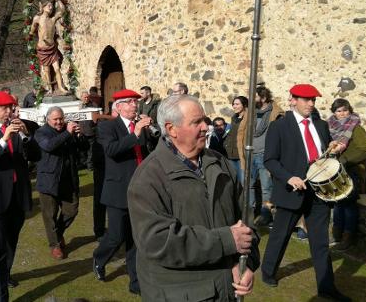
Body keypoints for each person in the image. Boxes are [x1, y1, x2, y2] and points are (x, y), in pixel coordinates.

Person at [128, 94, 259, 301]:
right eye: (196, 122)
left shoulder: (220, 164)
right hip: (180, 294)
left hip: (226, 291)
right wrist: (226, 241)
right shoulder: (149, 177)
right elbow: (157, 241)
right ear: (171, 129)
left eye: (204, 120)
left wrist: (247, 262)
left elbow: (246, 219)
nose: (205, 127)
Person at [261, 84, 350, 302]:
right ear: (293, 100)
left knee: (320, 241)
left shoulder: (320, 125)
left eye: (314, 100)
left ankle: (326, 287)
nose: (311, 104)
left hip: (318, 193)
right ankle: (268, 271)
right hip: (291, 192)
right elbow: (270, 160)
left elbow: (323, 158)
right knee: (280, 236)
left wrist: (332, 150)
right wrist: (289, 177)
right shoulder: (279, 127)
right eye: (306, 99)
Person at [0, 91, 39, 302]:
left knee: (11, 243)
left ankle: (5, 273)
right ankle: (0, 297)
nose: (9, 111)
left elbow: (36, 155)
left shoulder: (20, 128)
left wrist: (26, 136)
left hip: (18, 196)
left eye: (11, 107)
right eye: (4, 108)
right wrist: (3, 140)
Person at [92, 89, 157, 296]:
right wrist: (135, 133)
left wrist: (153, 131)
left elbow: (149, 150)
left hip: (141, 189)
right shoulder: (107, 126)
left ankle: (135, 281)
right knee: (116, 235)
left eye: (136, 102)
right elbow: (111, 150)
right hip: (119, 188)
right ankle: (99, 258)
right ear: (118, 106)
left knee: (136, 238)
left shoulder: (141, 124)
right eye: (129, 102)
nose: (134, 105)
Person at [34, 107, 87, 260]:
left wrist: (79, 135)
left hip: (68, 179)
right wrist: (67, 133)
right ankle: (54, 245)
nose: (59, 122)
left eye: (61, 119)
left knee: (72, 210)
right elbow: (49, 146)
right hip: (48, 180)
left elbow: (84, 148)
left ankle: (57, 234)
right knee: (49, 215)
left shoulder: (67, 130)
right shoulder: (41, 132)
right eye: (55, 119)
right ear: (48, 119)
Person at [328, 98, 366, 250]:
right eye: (339, 110)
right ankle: (337, 235)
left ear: (350, 110)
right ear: (334, 112)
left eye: (345, 110)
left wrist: (345, 159)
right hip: (336, 171)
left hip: (352, 170)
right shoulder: (330, 127)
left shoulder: (356, 127)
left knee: (349, 205)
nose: (342, 113)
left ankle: (347, 238)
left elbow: (364, 150)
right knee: (339, 203)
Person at [240, 85, 284, 226]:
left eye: (255, 97)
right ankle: (250, 214)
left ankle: (266, 214)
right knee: (249, 185)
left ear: (263, 98)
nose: (251, 100)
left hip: (265, 155)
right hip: (250, 154)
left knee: (266, 187)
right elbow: (242, 131)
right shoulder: (250, 112)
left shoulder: (276, 113)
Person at [29, 0, 70, 95]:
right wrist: (33, 32)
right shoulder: (37, 18)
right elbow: (32, 31)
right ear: (43, 7)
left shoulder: (52, 19)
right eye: (49, 6)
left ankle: (61, 87)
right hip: (42, 49)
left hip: (52, 49)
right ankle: (50, 88)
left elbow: (62, 10)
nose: (51, 8)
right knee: (46, 70)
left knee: (57, 69)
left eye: (52, 6)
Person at [224, 96, 248, 184]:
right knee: (234, 182)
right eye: (233, 104)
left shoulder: (248, 119)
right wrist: (226, 145)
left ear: (244, 105)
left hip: (241, 155)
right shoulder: (234, 118)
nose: (234, 106)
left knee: (243, 182)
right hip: (231, 155)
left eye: (237, 104)